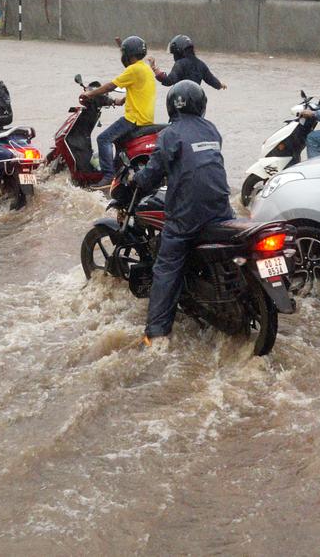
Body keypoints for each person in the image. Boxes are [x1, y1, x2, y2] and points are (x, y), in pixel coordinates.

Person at [130, 80, 235, 349]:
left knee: (166, 267)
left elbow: (153, 172)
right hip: (221, 208)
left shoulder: (169, 133)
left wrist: (137, 180)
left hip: (187, 214)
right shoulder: (212, 129)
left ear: (171, 105)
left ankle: (156, 333)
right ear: (201, 104)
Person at [81, 36, 156, 188]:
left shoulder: (134, 69)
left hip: (134, 119)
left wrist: (89, 94)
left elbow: (110, 86)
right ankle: (119, 170)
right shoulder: (145, 69)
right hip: (146, 118)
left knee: (103, 139)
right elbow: (137, 90)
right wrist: (119, 101)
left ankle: (108, 176)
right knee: (117, 140)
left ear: (128, 55)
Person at [147, 35, 227, 90]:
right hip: (196, 102)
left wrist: (155, 69)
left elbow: (168, 81)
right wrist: (220, 85)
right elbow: (210, 79)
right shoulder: (200, 64)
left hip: (181, 102)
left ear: (178, 52)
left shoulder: (180, 64)